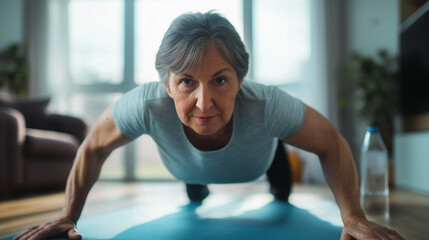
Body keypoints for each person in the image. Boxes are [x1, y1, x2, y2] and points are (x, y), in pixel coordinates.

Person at [14, 11, 404, 240]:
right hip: (187, 164)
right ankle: (197, 187)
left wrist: (353, 218)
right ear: (167, 84)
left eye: (219, 80)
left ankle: (274, 169)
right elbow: (94, 146)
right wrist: (68, 216)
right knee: (195, 192)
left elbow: (331, 142)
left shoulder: (267, 104)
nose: (204, 102)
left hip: (260, 159)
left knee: (282, 196)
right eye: (186, 81)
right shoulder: (146, 104)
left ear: (240, 79)